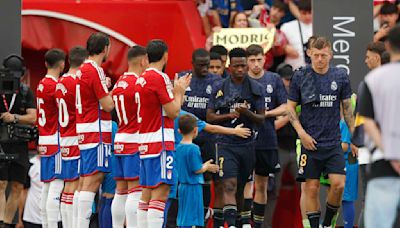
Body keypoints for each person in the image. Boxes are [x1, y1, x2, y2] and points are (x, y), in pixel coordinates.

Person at [287, 37, 354, 228]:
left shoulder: (340, 76)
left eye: (323, 55)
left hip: (333, 142)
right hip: (310, 142)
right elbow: (290, 108)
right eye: (315, 55)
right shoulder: (301, 76)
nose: (319, 59)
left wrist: (354, 136)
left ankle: (328, 223)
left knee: (339, 184)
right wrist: (302, 133)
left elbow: (347, 109)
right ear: (309, 54)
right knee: (311, 188)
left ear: (330, 55)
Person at [135, 39, 191, 228]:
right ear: (166, 55)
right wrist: (179, 91)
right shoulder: (159, 78)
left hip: (145, 141)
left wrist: (176, 93)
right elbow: (174, 111)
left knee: (147, 193)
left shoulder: (142, 77)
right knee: (161, 192)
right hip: (159, 142)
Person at [207, 47, 265, 228]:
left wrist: (246, 112)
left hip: (247, 144)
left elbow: (262, 119)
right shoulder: (219, 87)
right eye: (236, 66)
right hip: (225, 143)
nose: (240, 69)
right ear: (229, 66)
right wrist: (229, 115)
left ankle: (238, 222)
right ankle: (230, 224)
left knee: (240, 187)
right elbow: (210, 116)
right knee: (229, 184)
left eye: (243, 65)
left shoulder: (257, 88)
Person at [358, 25, 400, 228]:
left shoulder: (373, 79)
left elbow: (368, 121)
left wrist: (390, 153)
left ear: (388, 46)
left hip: (382, 161)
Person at [75, 32, 115, 228]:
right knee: (93, 180)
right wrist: (117, 92)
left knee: (84, 180)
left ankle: (76, 224)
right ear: (105, 48)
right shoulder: (95, 70)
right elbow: (107, 105)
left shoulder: (82, 69)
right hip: (96, 130)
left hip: (84, 129)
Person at [245, 44, 287, 228]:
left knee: (262, 184)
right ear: (247, 61)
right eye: (252, 60)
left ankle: (259, 225)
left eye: (259, 60)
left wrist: (265, 114)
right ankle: (245, 223)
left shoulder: (274, 79)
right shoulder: (240, 79)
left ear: (265, 59)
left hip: (267, 139)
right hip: (243, 139)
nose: (255, 64)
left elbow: (285, 107)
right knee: (246, 183)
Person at [179, 48, 221, 224]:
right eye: (201, 65)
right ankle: (182, 217)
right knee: (185, 175)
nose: (205, 68)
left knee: (209, 176)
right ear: (192, 64)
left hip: (209, 136)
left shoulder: (217, 81)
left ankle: (204, 213)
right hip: (186, 135)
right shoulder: (183, 78)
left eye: (208, 65)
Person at [110, 45, 149, 228]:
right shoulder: (138, 84)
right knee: (135, 191)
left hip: (119, 138)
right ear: (143, 61)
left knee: (120, 190)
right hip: (134, 139)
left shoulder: (119, 82)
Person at [0, 55, 36, 228]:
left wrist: (14, 117)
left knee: (16, 186)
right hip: (1, 141)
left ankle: (7, 223)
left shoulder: (24, 91)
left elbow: (33, 117)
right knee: (1, 183)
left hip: (19, 142)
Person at [54, 46, 88, 228]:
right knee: (76, 186)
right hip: (76, 136)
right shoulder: (76, 82)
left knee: (68, 186)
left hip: (64, 136)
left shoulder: (60, 82)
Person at [36, 49, 66, 228]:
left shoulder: (40, 83)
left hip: (44, 138)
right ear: (62, 64)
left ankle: (46, 225)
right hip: (55, 139)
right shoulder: (55, 86)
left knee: (46, 187)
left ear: (46, 64)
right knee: (56, 186)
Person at [175, 114, 219, 228]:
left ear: (179, 131)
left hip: (182, 186)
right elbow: (197, 169)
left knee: (183, 215)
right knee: (193, 217)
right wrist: (207, 166)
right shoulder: (194, 148)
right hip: (193, 186)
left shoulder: (178, 147)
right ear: (195, 130)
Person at [280, 0, 312, 69]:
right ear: (299, 11)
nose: (307, 16)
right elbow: (277, 45)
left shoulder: (322, 25)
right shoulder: (286, 27)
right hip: (293, 69)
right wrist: (285, 47)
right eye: (304, 13)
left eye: (310, 13)